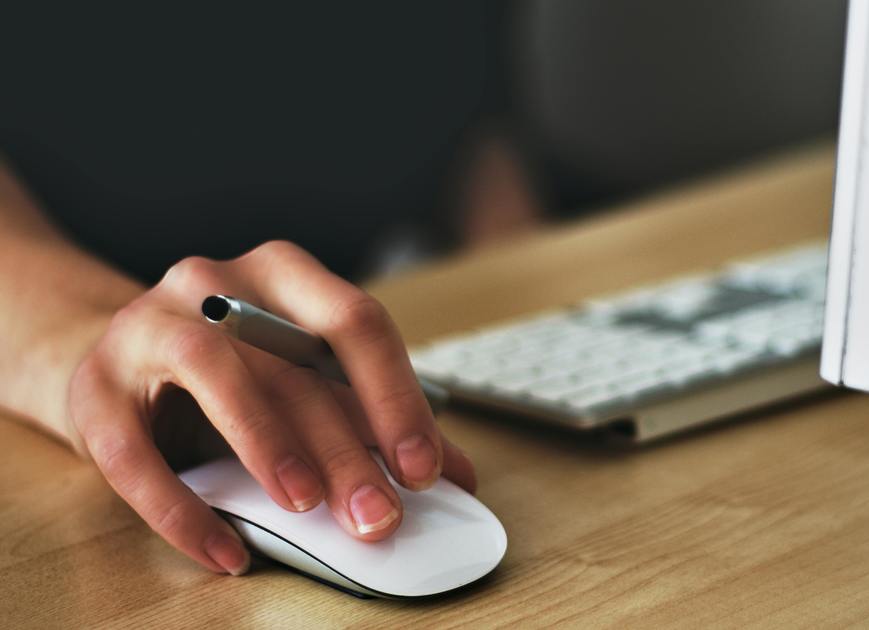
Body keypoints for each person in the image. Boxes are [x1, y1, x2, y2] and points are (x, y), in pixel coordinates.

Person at [0, 4, 536, 577]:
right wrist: (93, 343)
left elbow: (480, 131)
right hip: (113, 330)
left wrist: (532, 314)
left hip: (343, 357)